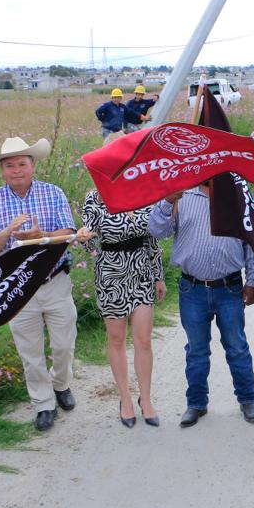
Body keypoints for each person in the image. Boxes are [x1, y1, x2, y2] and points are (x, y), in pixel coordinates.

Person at [0, 137, 78, 432]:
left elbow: (69, 232)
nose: (16, 170)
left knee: (63, 345)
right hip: (16, 286)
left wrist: (39, 236)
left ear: (33, 165)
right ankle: (44, 404)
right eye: (10, 165)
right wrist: (9, 231)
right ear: (1, 170)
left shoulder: (53, 192)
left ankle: (61, 384)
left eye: (22, 163)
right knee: (30, 351)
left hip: (54, 280)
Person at [149, 181, 254, 428]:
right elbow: (157, 231)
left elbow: (250, 237)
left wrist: (252, 279)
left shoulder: (236, 194)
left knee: (237, 346)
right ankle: (196, 403)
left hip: (229, 287)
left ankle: (247, 398)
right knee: (197, 350)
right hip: (193, 288)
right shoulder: (180, 194)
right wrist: (167, 201)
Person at [79, 132, 166, 428]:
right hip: (110, 272)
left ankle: (146, 398)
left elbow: (153, 237)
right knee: (116, 339)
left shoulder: (145, 191)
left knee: (142, 339)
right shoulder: (93, 198)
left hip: (141, 270)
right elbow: (89, 243)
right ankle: (125, 399)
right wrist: (86, 240)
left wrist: (158, 275)